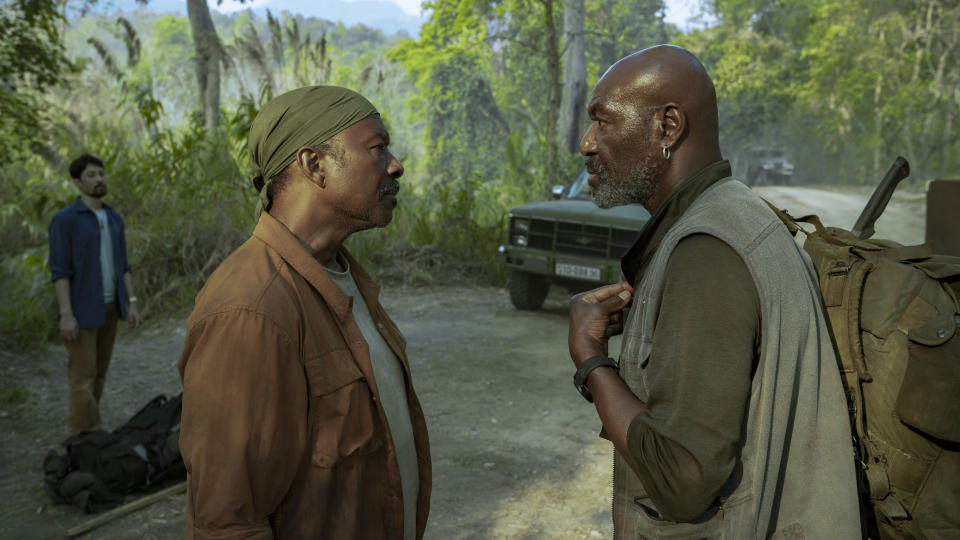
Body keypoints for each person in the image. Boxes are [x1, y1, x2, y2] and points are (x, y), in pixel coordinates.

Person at [566, 45, 862, 538]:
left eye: (604, 122)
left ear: (668, 127)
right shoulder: (734, 210)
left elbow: (681, 480)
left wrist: (590, 358)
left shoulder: (705, 250)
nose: (587, 143)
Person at [177, 86, 431, 539]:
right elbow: (227, 521)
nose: (395, 164)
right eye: (377, 148)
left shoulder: (344, 277)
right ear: (314, 165)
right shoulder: (252, 310)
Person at [48, 154, 141, 434]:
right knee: (82, 376)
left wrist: (132, 302)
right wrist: (66, 315)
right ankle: (84, 437)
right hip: (82, 310)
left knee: (99, 373)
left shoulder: (113, 219)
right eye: (91, 175)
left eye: (101, 173)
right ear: (77, 182)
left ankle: (92, 430)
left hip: (111, 307)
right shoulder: (65, 220)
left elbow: (123, 265)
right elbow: (60, 271)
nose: (99, 179)